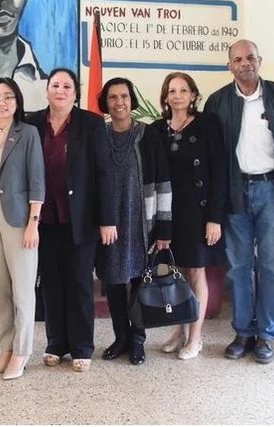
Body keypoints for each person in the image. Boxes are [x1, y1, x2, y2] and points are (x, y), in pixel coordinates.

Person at [204, 39, 274, 365]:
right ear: (229, 65)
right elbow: (212, 152)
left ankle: (266, 336)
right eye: (238, 59)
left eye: (250, 57)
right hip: (236, 193)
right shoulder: (218, 101)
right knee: (239, 267)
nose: (245, 63)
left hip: (273, 192)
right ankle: (243, 333)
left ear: (259, 60)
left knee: (273, 268)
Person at [24, 68, 117, 373]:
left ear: (75, 93)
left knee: (79, 282)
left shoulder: (91, 124)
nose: (60, 90)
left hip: (81, 218)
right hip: (44, 218)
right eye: (55, 85)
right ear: (47, 90)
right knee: (50, 282)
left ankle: (81, 346)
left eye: (67, 86)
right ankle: (56, 342)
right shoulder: (32, 122)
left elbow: (105, 174)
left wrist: (107, 220)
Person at [95, 77, 172, 366]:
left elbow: (164, 181)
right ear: (106, 102)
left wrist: (164, 226)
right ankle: (121, 338)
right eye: (113, 97)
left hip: (143, 222)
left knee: (141, 281)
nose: (119, 102)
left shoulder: (148, 134)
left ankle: (138, 340)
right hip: (109, 222)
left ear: (132, 100)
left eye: (124, 96)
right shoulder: (99, 135)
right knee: (114, 281)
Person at [151, 72, 227, 360]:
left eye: (184, 90)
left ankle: (196, 337)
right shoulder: (159, 129)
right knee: (176, 272)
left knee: (195, 272)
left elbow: (219, 172)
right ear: (166, 97)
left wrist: (215, 218)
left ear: (194, 95)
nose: (178, 95)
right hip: (170, 212)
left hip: (199, 211)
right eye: (172, 90)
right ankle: (179, 331)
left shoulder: (208, 124)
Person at [0, 78, 44, 380]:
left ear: (17, 102)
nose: (1, 102)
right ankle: (5, 347)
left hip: (19, 217)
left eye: (7, 97)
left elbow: (37, 179)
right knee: (0, 289)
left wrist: (33, 222)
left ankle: (22, 351)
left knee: (23, 290)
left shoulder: (28, 134)